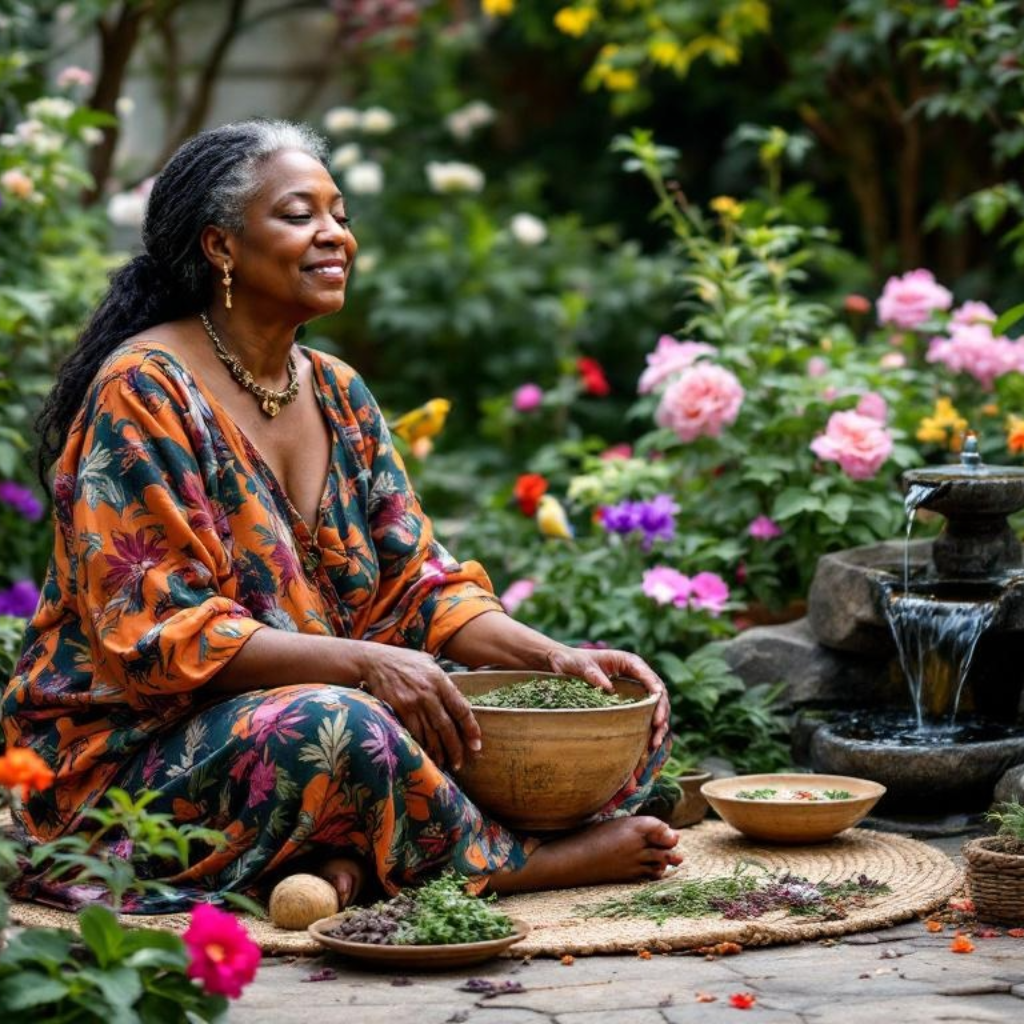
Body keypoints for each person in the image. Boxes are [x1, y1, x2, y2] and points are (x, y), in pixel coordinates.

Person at [1, 120, 680, 912]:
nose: (335, 236)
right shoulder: (144, 391)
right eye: (299, 215)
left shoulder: (336, 391)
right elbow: (160, 637)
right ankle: (512, 864)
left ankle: (352, 857)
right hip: (130, 763)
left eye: (341, 214)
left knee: (616, 709)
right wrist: (362, 664)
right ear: (221, 247)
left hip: (313, 709)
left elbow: (418, 587)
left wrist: (556, 658)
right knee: (339, 723)